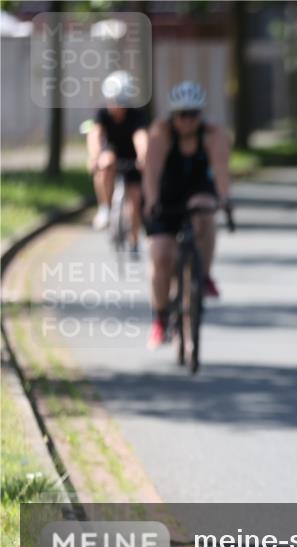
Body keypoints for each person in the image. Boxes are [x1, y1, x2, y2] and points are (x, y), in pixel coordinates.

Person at [141, 81, 231, 349]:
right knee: (162, 256)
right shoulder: (161, 133)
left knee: (205, 213)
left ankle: (203, 274)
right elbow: (151, 171)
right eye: (182, 114)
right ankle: (160, 317)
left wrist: (225, 200)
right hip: (166, 197)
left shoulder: (213, 134)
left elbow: (221, 169)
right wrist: (153, 201)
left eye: (193, 114)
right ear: (173, 115)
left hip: (197, 192)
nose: (187, 121)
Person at [87, 70, 148, 252]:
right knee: (105, 163)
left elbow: (141, 137)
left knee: (135, 200)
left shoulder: (137, 115)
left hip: (132, 158)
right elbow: (95, 134)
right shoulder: (102, 113)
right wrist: (95, 156)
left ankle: (134, 239)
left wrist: (143, 156)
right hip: (112, 154)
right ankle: (105, 208)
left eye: (120, 102)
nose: (116, 106)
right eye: (113, 101)